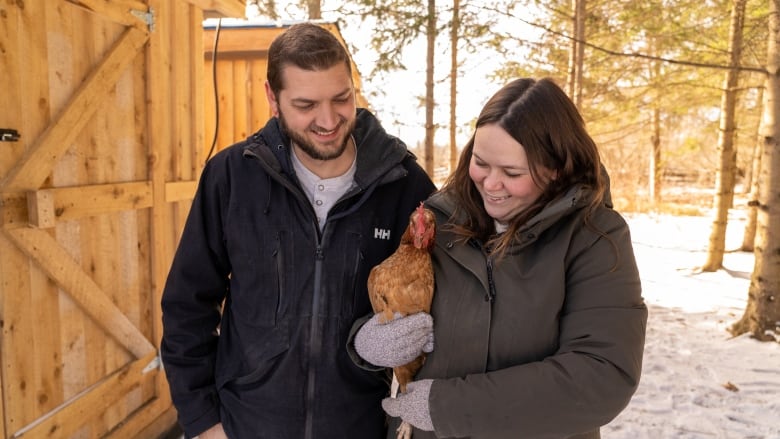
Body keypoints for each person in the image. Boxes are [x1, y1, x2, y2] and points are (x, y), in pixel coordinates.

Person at [160, 22, 436, 439]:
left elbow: (453, 307)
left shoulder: (402, 183)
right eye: (306, 104)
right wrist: (202, 422)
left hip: (357, 426)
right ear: (273, 99)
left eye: (341, 98)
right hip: (244, 425)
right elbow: (187, 306)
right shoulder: (232, 176)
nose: (328, 120)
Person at [353, 77, 648, 439]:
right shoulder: (438, 222)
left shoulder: (593, 237)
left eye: (512, 173)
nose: (490, 184)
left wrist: (448, 407)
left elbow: (601, 376)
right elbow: (394, 303)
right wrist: (367, 341)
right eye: (481, 163)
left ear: (555, 169)